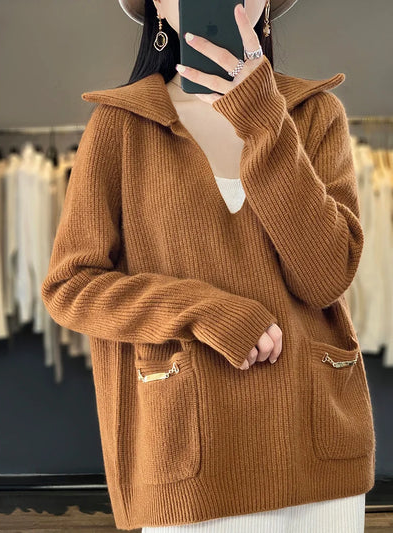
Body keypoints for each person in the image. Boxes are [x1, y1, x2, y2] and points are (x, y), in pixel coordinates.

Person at [41, 0, 376, 531]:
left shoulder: (314, 113)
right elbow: (71, 287)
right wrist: (202, 311)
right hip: (191, 459)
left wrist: (263, 117)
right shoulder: (120, 126)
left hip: (317, 452)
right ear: (157, 5)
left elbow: (326, 278)